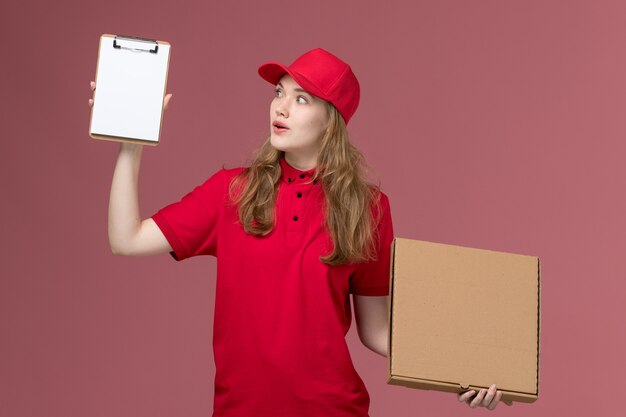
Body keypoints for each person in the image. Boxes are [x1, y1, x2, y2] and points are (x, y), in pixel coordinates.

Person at [89, 48, 505, 416]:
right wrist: (131, 145)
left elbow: (375, 331)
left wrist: (460, 371)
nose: (280, 108)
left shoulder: (370, 208)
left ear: (331, 123)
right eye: (278, 93)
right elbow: (126, 239)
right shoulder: (232, 191)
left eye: (300, 99)